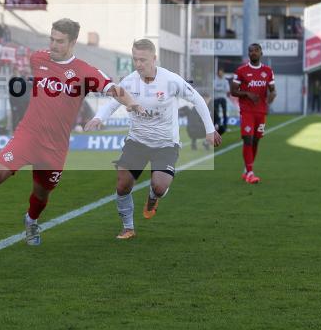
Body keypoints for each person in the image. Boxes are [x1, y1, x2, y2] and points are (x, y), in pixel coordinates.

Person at [0, 18, 142, 246]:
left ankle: (31, 220)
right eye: (51, 39)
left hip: (55, 147)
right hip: (28, 135)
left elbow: (114, 89)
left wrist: (132, 104)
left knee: (41, 193)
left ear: (73, 42)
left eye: (60, 41)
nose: (53, 45)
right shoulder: (38, 59)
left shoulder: (85, 71)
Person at [85, 39, 220, 239]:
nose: (138, 64)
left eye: (143, 60)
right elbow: (113, 103)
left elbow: (197, 99)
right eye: (135, 59)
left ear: (154, 58)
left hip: (165, 144)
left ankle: (153, 196)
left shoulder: (171, 80)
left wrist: (210, 129)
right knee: (122, 184)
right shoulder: (129, 81)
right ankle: (128, 227)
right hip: (137, 142)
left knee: (159, 186)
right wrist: (98, 118)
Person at [230, 43, 276, 184]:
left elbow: (272, 89)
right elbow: (233, 91)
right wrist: (247, 94)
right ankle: (250, 173)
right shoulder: (241, 71)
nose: (253, 53)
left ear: (261, 53)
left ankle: (247, 169)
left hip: (261, 111)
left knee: (256, 140)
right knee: (248, 139)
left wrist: (271, 96)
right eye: (251, 51)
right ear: (248, 54)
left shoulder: (268, 71)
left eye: (256, 50)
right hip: (247, 111)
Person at [212, 68, 229, 134]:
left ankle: (225, 127)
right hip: (216, 98)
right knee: (216, 113)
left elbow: (227, 89)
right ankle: (216, 126)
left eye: (221, 72)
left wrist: (218, 89)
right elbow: (214, 88)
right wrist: (222, 88)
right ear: (217, 73)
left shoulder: (225, 81)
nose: (220, 74)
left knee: (224, 113)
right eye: (219, 72)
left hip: (223, 98)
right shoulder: (215, 80)